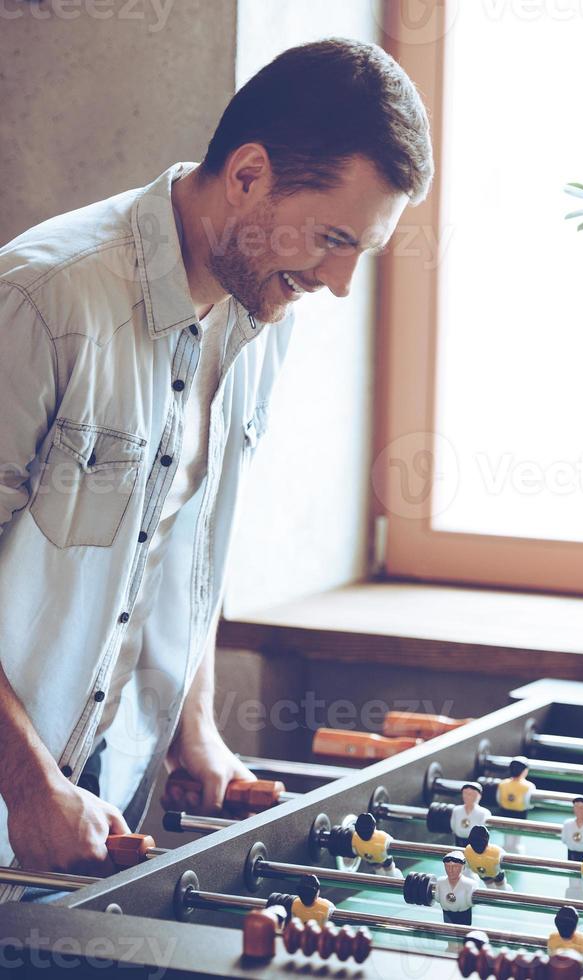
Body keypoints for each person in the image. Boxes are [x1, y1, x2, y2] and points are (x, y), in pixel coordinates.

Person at [0, 37, 434, 891]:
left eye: (362, 253)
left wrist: (193, 724)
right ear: (247, 176)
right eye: (332, 238)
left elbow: (174, 544)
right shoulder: (43, 301)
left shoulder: (261, 318)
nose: (341, 282)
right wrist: (29, 785)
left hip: (98, 806)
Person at [435, 850, 477, 925]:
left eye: (455, 867)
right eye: (447, 866)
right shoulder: (440, 882)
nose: (450, 870)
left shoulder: (469, 885)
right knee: (449, 933)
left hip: (463, 916)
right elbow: (437, 898)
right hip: (447, 915)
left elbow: (471, 902)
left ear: (463, 867)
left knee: (463, 934)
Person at [450, 782, 491, 847]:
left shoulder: (484, 813)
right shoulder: (456, 810)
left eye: (470, 794)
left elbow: (485, 831)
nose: (467, 796)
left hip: (476, 843)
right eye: (465, 793)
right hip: (459, 840)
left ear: (478, 796)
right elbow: (453, 826)